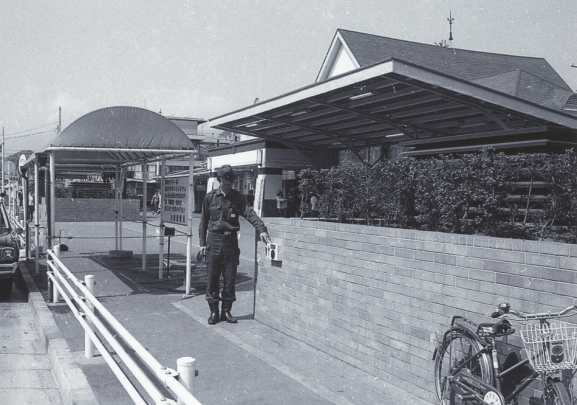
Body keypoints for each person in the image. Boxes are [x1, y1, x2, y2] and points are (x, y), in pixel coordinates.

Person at [198, 165, 271, 325]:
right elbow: (203, 222)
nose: (227, 186)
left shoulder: (237, 198)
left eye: (230, 183)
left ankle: (226, 311)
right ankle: (214, 312)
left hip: (230, 242)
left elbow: (249, 213)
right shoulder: (210, 198)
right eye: (224, 183)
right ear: (219, 181)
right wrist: (202, 244)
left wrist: (261, 228)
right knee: (212, 279)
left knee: (230, 279)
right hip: (213, 241)